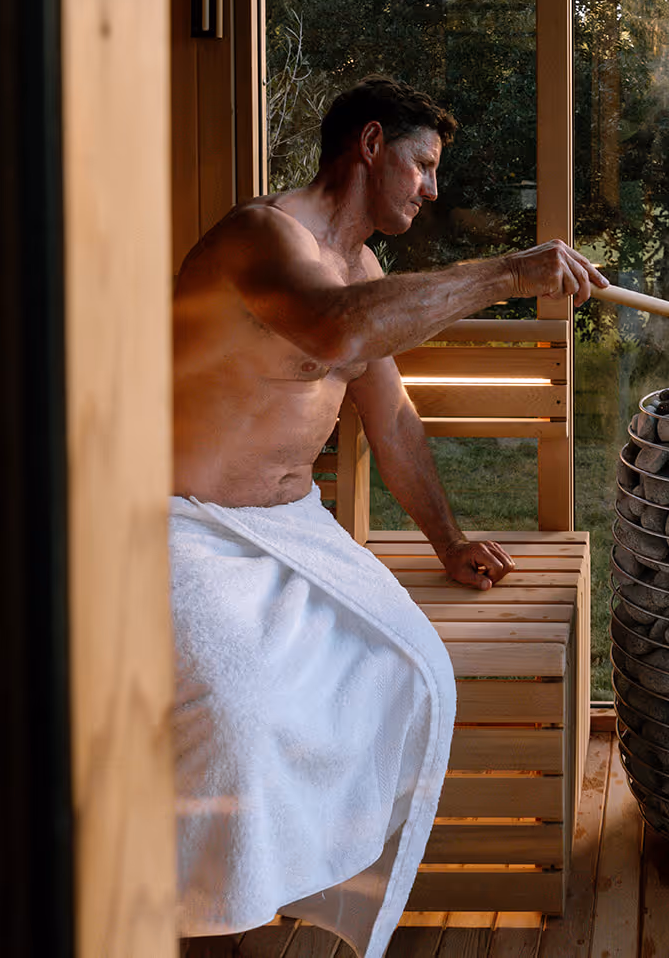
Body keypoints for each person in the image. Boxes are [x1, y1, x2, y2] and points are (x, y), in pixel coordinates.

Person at [166, 76, 605, 954]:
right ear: (371, 144)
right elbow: (333, 331)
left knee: (420, 673)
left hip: (295, 527)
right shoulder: (261, 235)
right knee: (239, 709)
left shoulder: (364, 270)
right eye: (423, 164)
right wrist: (508, 272)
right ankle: (201, 916)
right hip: (186, 524)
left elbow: (392, 420)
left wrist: (448, 540)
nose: (432, 189)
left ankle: (299, 886)